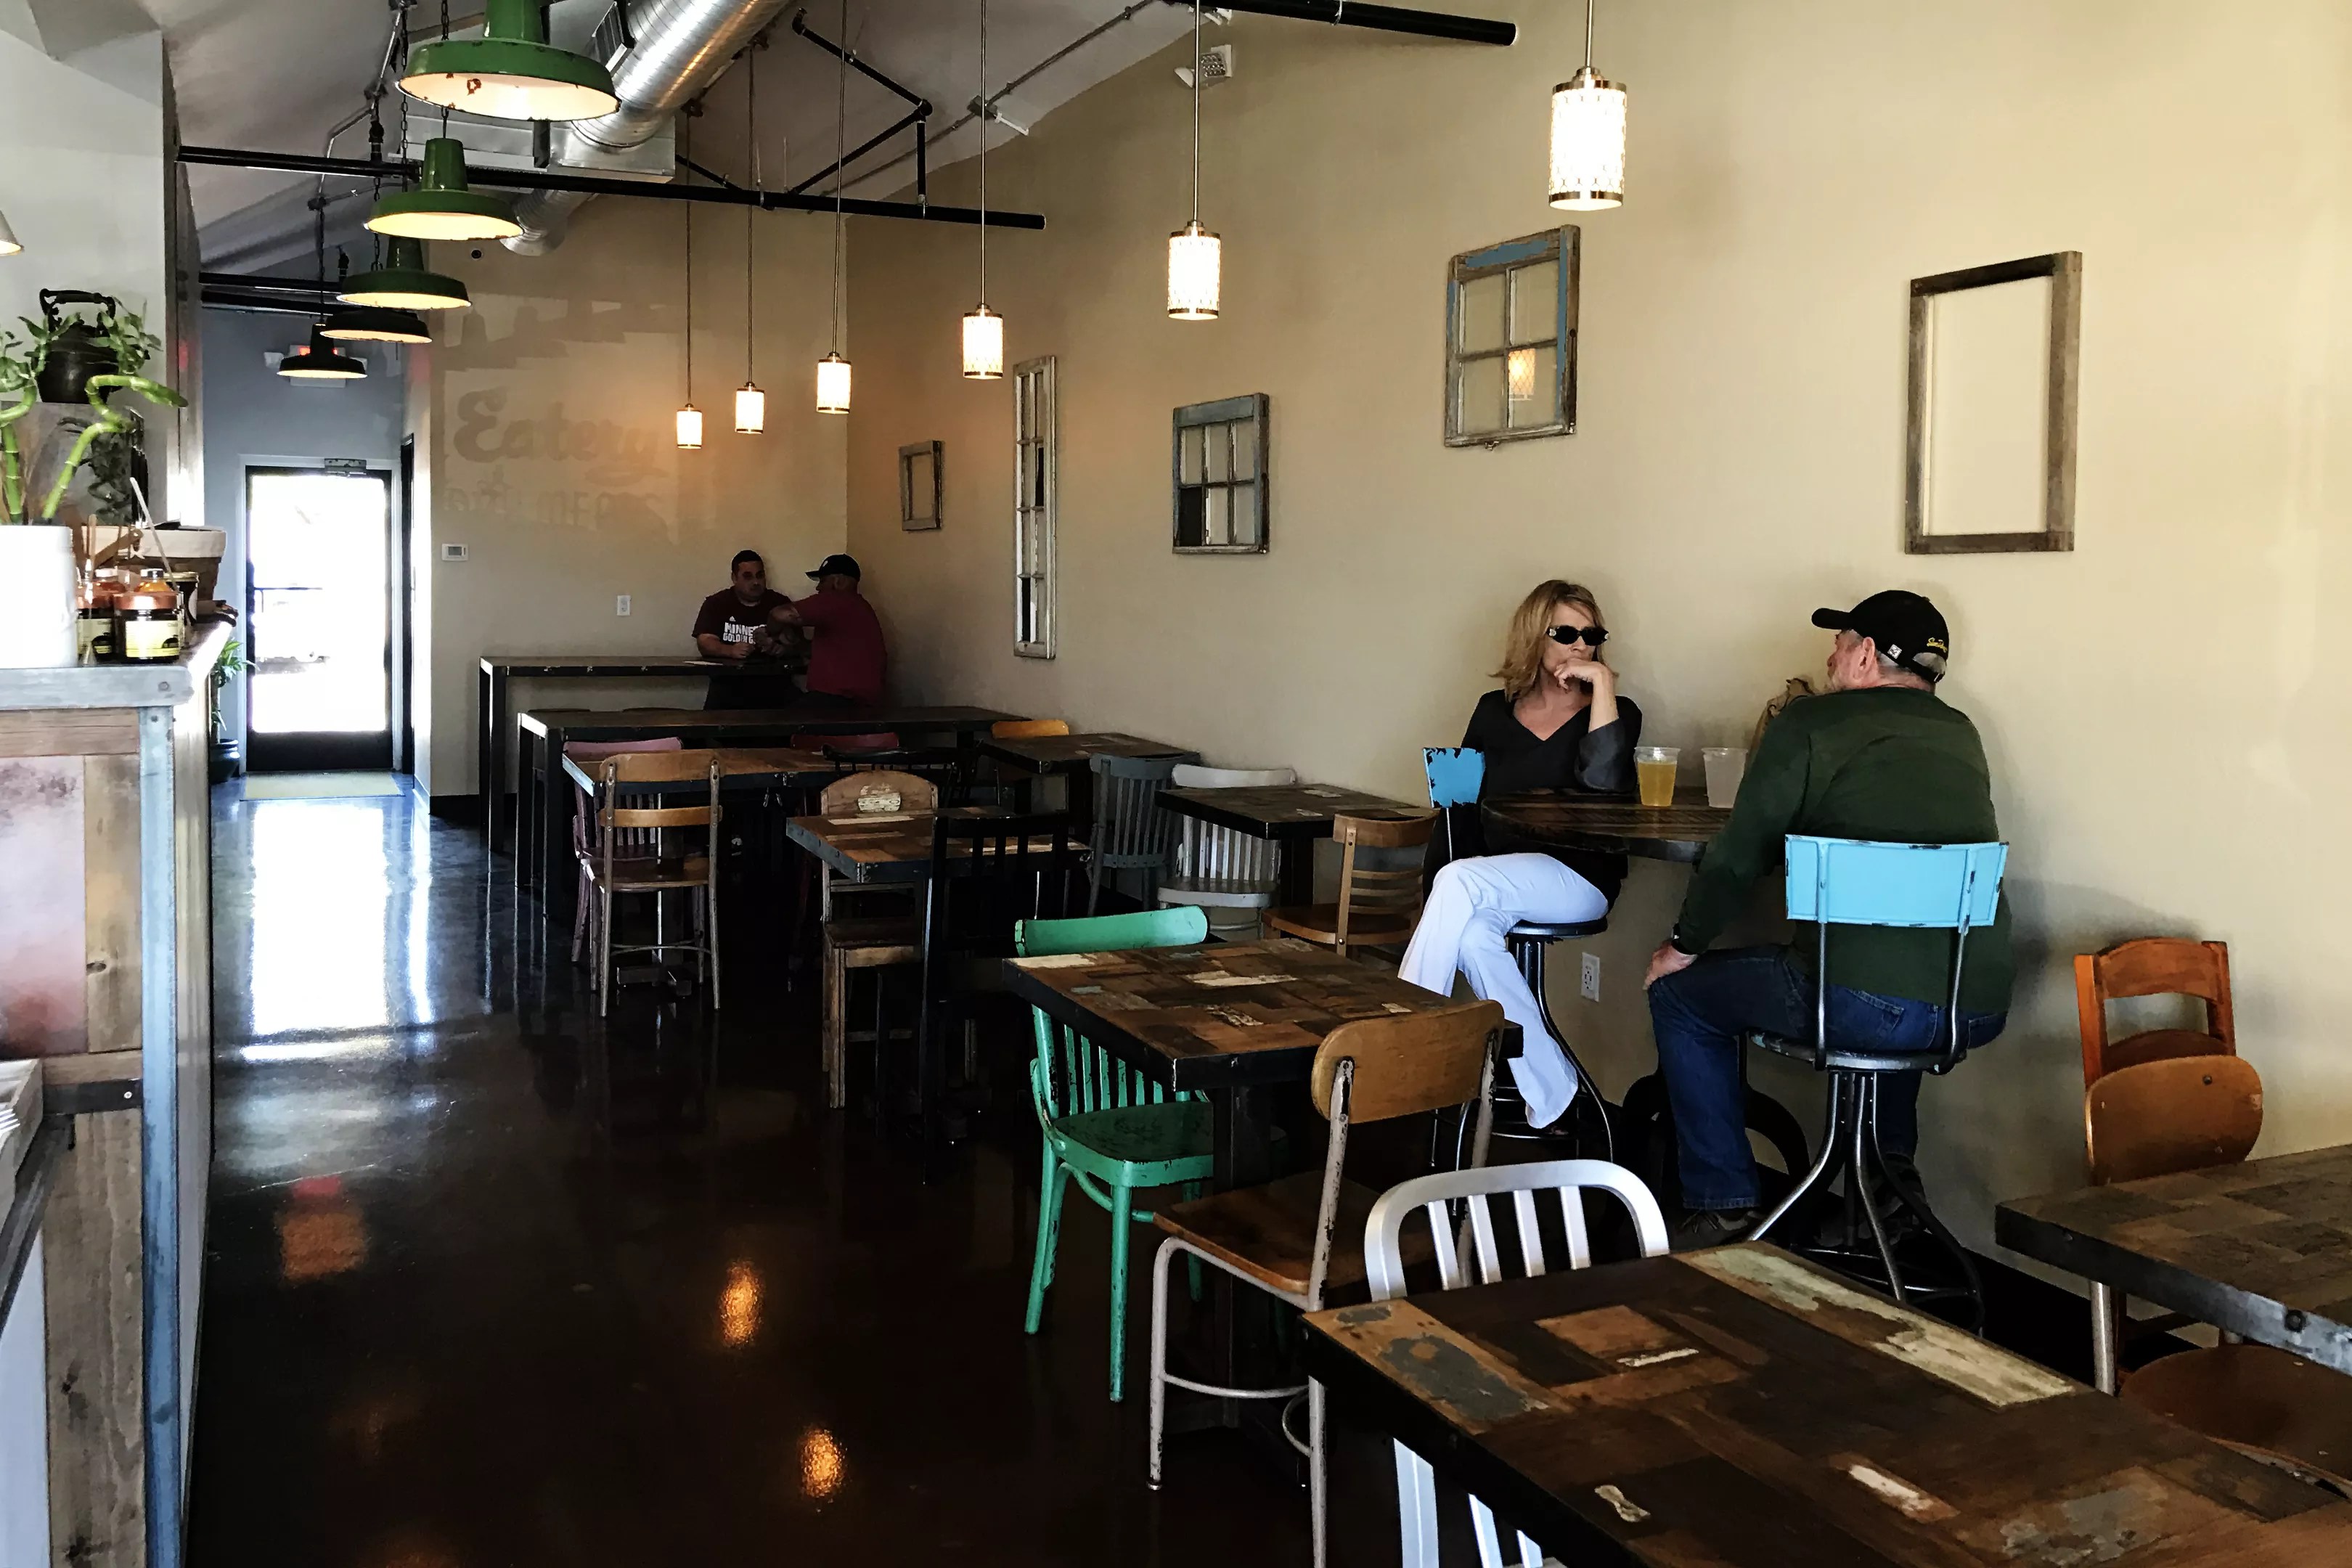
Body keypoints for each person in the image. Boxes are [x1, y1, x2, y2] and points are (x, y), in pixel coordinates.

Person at [1642, 590, 2012, 1248]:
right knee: (1897, 985)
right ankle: (1889, 1189)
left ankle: (1723, 1203)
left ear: (1866, 655)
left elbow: (1738, 855)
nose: (1830, 658)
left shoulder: (1811, 722)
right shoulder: (1961, 731)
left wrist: (1682, 945)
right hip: (1972, 1002)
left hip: (1867, 1004)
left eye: (1839, 645)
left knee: (1679, 997)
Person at [1400, 581, 1642, 1131]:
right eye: (1566, 633)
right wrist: (1430, 894)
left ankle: (1403, 1047)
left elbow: (1604, 784)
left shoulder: (1617, 711)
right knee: (1469, 936)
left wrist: (1603, 686)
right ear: (1535, 636)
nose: (1581, 645)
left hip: (1581, 876)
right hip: (1494, 878)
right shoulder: (1493, 711)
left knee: (1460, 883)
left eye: (1592, 635)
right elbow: (1458, 805)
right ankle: (1553, 1088)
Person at [773, 553, 887, 706]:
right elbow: (824, 651)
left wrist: (770, 634)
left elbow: (779, 614)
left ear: (839, 581)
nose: (818, 588)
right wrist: (795, 643)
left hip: (843, 702)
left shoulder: (839, 600)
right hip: (857, 701)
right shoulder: (857, 607)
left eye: (823, 581)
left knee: (773, 704)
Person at [692, 550, 801, 709]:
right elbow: (704, 642)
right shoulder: (717, 603)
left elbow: (799, 645)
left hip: (774, 686)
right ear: (734, 578)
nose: (756, 582)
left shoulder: (780, 603)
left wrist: (781, 649)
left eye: (760, 575)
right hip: (728, 686)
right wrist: (730, 651)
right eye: (748, 577)